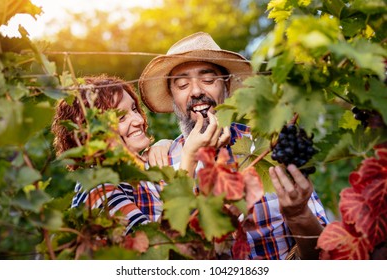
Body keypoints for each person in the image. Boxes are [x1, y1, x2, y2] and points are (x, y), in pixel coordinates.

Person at [138, 32, 329, 259]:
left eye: (208, 80)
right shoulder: (159, 165)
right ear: (172, 95)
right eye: (182, 84)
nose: (197, 91)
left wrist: (298, 215)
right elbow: (160, 260)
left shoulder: (271, 147)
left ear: (227, 86)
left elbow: (324, 256)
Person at [51, 74, 222, 235]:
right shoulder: (98, 187)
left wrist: (166, 144)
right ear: (90, 132)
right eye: (121, 118)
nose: (139, 120)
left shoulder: (131, 173)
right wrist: (188, 158)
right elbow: (157, 249)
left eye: (134, 109)